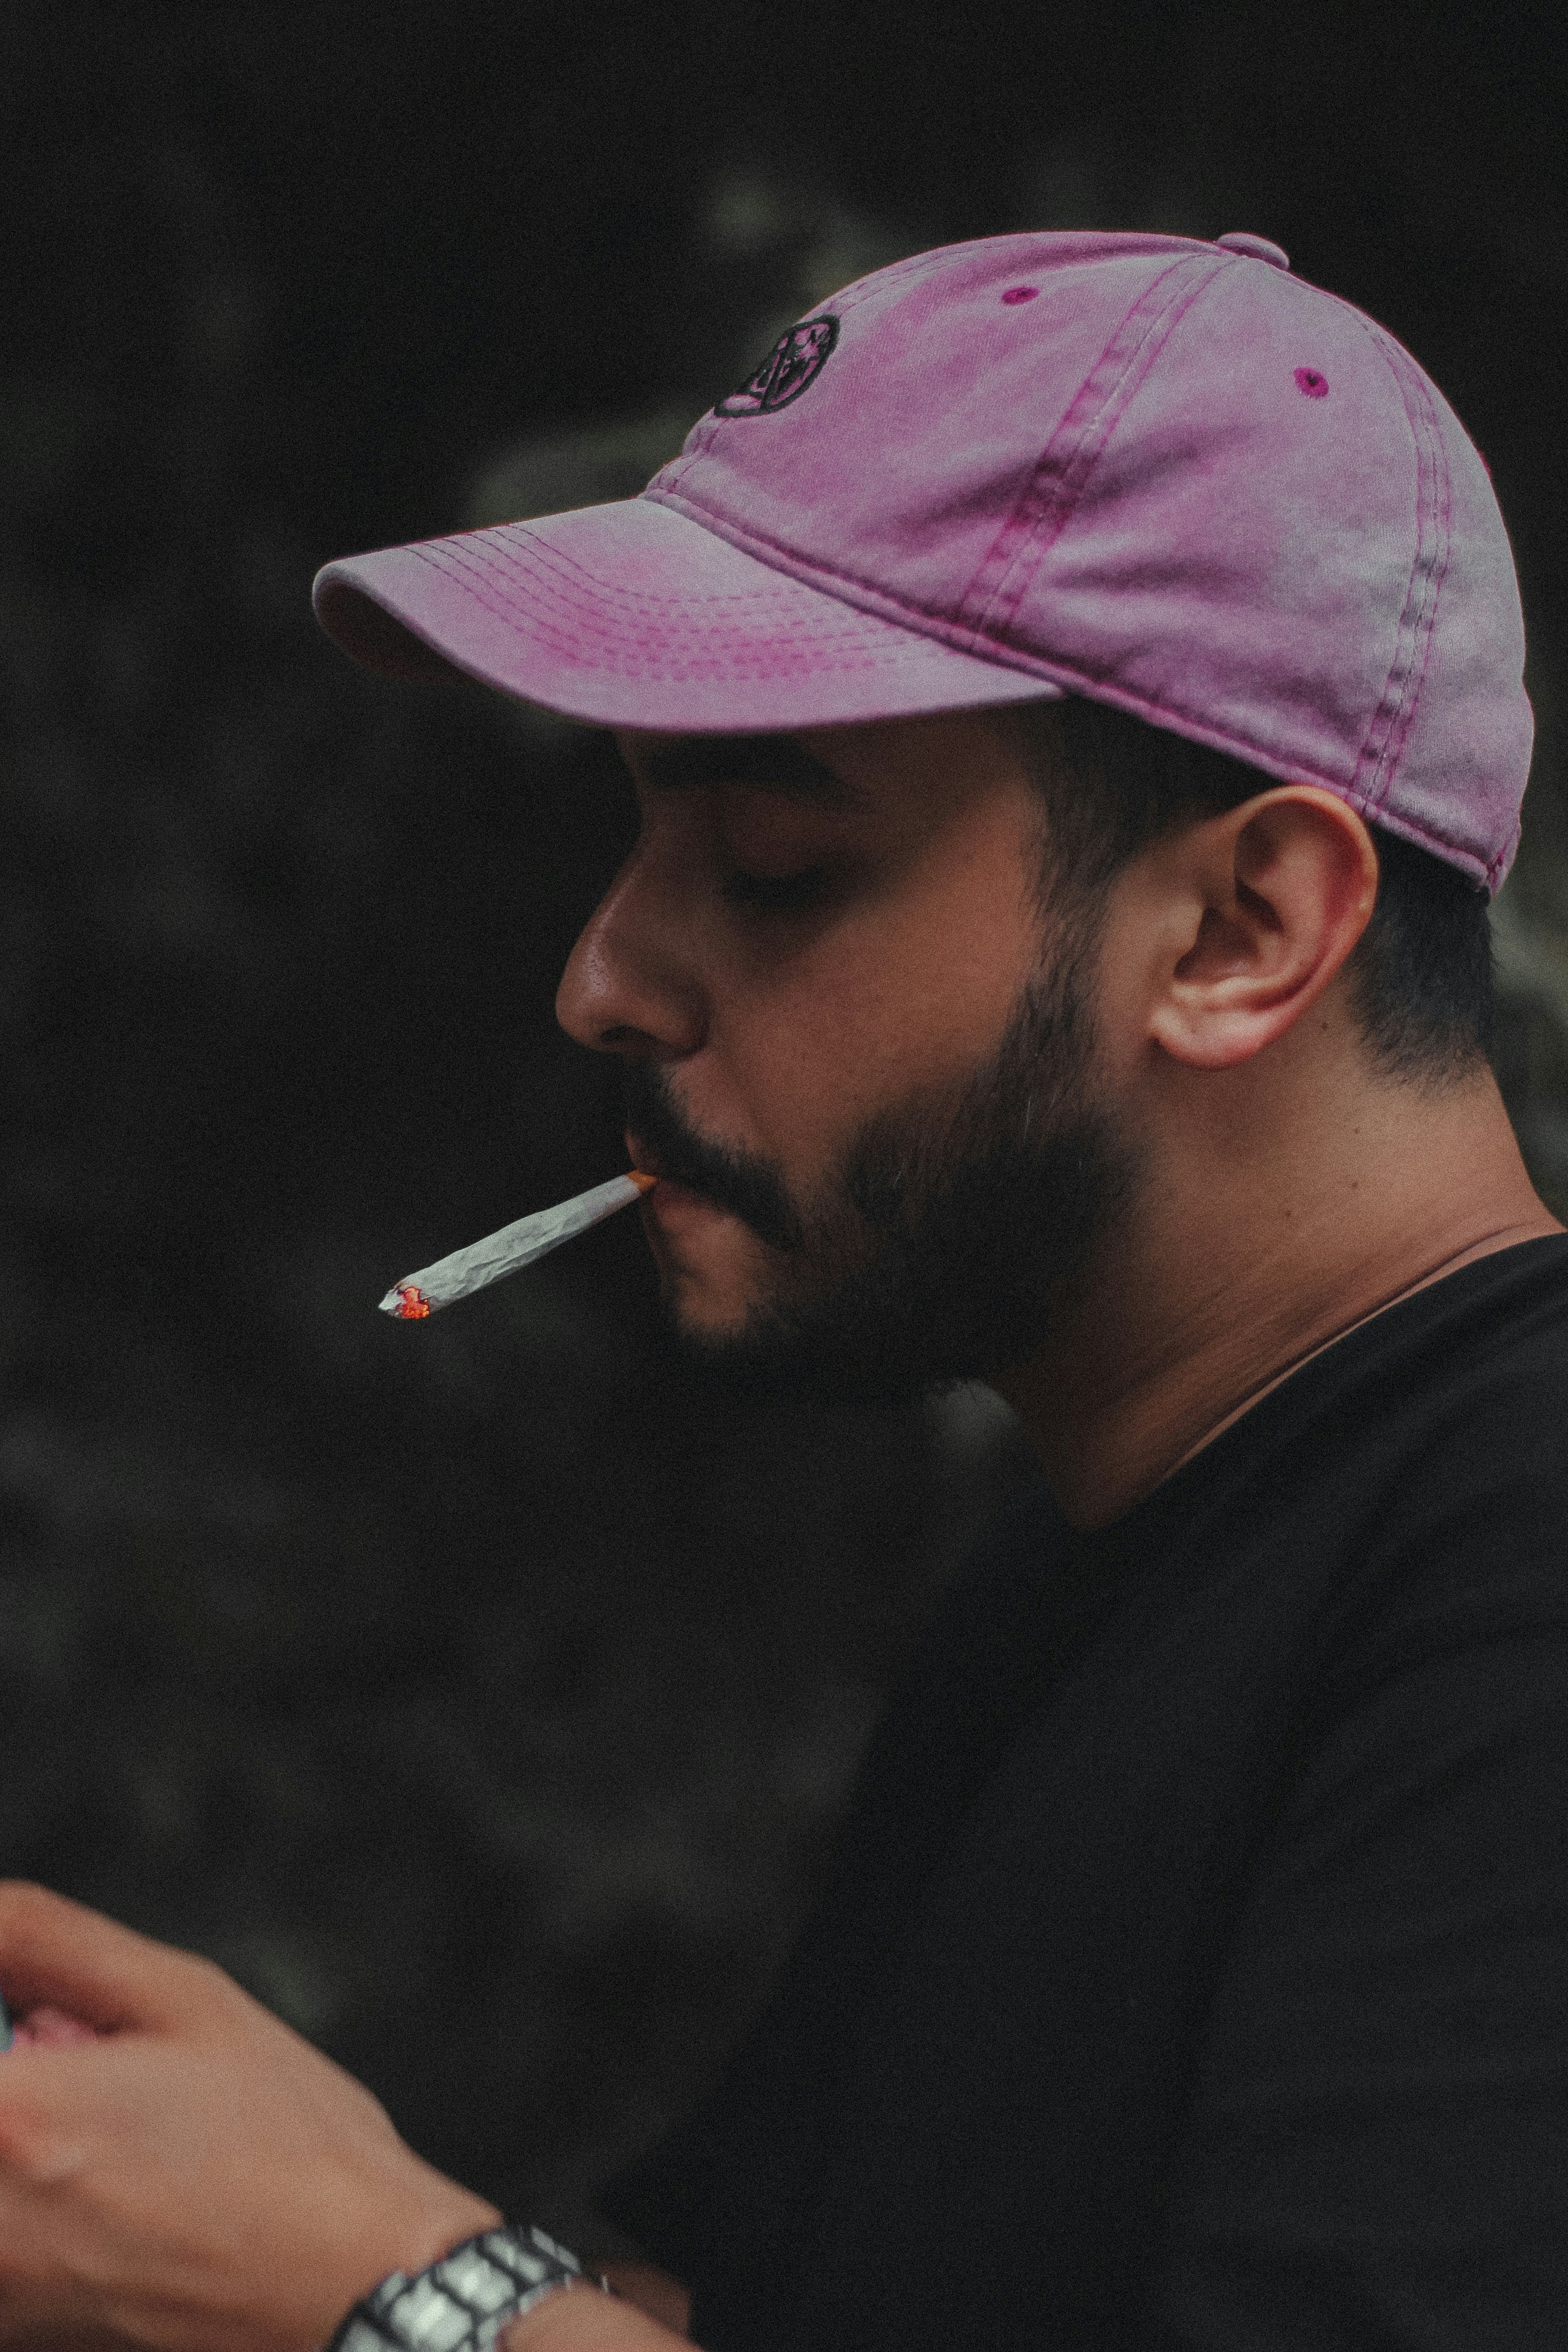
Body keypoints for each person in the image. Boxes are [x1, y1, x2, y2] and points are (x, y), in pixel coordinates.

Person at [1, 225, 1565, 2352]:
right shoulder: (1087, 1569)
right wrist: (167, 2194)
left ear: (1242, 930)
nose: (604, 979)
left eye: (772, 868)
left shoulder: (1516, 1573)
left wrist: (378, 2293)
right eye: (641, 842)